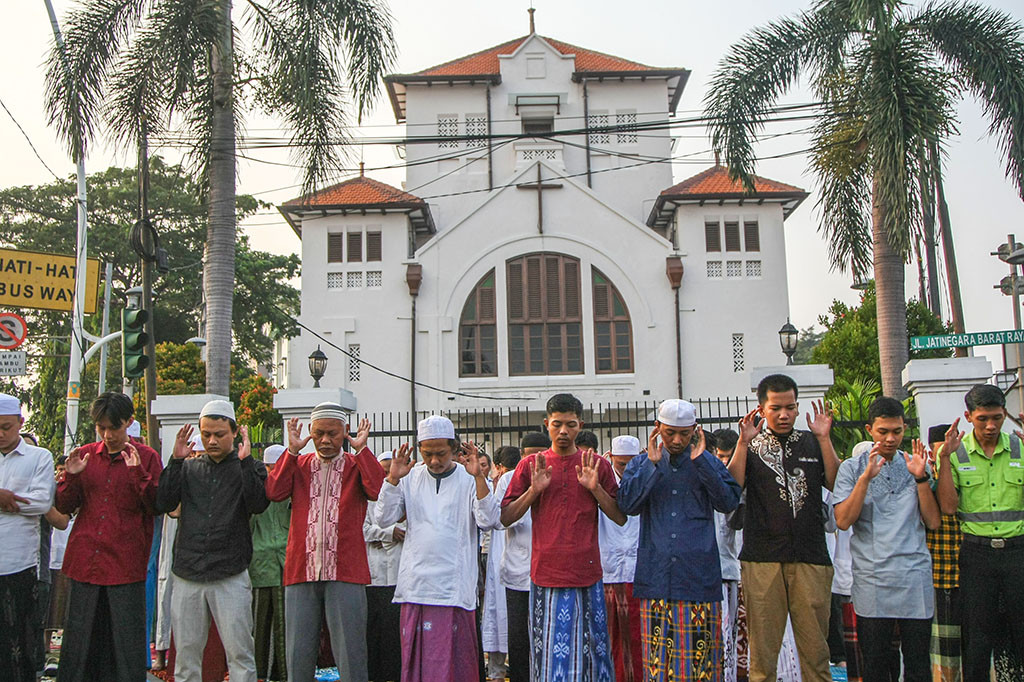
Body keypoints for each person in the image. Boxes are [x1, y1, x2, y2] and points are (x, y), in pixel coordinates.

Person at [501, 393, 624, 682]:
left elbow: (620, 517)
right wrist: (534, 491)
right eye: (557, 425)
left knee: (593, 655)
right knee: (548, 660)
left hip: (588, 574)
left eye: (570, 424)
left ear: (580, 424)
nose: (564, 432)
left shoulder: (596, 465)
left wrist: (595, 489)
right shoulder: (531, 465)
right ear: (547, 424)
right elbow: (505, 517)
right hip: (546, 574)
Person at [619, 399, 741, 682]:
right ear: (656, 428)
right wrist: (651, 466)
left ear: (695, 431)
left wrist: (702, 464)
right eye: (670, 432)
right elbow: (627, 506)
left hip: (698, 577)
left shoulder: (708, 461)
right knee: (658, 665)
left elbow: (728, 502)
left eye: (683, 433)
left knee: (703, 666)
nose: (676, 440)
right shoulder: (642, 462)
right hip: (656, 576)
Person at [727, 374, 839, 682]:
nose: (784, 414)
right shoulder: (751, 446)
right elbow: (731, 488)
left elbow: (835, 482)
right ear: (761, 409)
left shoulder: (812, 442)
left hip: (811, 557)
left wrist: (825, 439)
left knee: (816, 654)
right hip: (762, 559)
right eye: (776, 407)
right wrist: (742, 442)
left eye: (790, 407)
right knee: (762, 658)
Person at [265, 403, 383, 682]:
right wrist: (291, 451)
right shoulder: (299, 465)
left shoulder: (356, 466)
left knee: (351, 652)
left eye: (333, 433)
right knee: (298, 652)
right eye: (319, 434)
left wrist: (363, 450)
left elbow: (377, 489)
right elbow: (274, 491)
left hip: (345, 570)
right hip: (301, 570)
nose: (326, 440)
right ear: (310, 432)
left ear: (345, 433)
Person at [375, 415, 499, 682]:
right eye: (427, 453)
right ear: (419, 450)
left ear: (454, 449)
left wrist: (478, 478)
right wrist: (393, 480)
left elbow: (488, 521)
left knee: (455, 663)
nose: (434, 460)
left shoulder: (470, 479)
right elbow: (383, 519)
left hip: (454, 587)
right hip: (416, 585)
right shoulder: (409, 477)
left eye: (441, 453)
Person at [155, 399, 269, 682]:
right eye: (206, 434)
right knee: (186, 657)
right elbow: (164, 502)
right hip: (188, 572)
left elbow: (258, 504)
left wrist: (245, 463)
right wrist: (176, 460)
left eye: (219, 434)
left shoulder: (249, 468)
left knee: (240, 655)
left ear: (233, 432)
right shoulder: (189, 468)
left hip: (229, 574)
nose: (212, 440)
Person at [55, 392, 162, 682]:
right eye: (101, 427)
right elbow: (64, 507)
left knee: (124, 646)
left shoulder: (147, 458)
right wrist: (71, 475)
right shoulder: (85, 455)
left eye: (114, 427)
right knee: (79, 643)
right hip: (85, 562)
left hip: (125, 566)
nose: (108, 434)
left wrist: (138, 474)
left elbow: (157, 506)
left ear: (128, 422)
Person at [832, 398, 940, 682]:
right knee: (875, 664)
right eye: (883, 432)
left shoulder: (915, 464)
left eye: (897, 431)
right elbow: (843, 521)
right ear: (869, 429)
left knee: (918, 664)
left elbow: (933, 521)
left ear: (905, 428)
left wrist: (920, 479)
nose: (890, 438)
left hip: (913, 576)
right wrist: (865, 479)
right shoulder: (851, 468)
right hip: (873, 578)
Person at [935, 384, 1024, 682]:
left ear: (1005, 415)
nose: (990, 425)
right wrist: (944, 459)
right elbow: (948, 507)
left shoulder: (1020, 447)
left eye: (997, 418)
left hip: (1018, 553)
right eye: (983, 418)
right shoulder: (954, 453)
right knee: (976, 640)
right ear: (968, 416)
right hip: (976, 556)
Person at [0, 394, 56, 682]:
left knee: (20, 641)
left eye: (6, 427)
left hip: (20, 565)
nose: (0, 434)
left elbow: (41, 503)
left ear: (20, 423)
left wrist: (9, 501)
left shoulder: (39, 457)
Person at [500, 435, 545, 682]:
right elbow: (505, 519)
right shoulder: (508, 479)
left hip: (549, 572)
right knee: (518, 637)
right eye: (529, 455)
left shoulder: (555, 476)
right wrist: (531, 491)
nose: (534, 460)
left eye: (540, 454)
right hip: (518, 572)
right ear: (520, 454)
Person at [599, 435, 644, 682]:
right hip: (607, 571)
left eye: (631, 463)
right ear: (611, 458)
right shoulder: (601, 481)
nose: (626, 469)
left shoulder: (645, 479)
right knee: (608, 638)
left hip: (636, 572)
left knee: (636, 639)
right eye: (621, 463)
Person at [250, 444, 291, 682]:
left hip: (286, 565)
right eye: (269, 467)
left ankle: (283, 675)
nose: (273, 472)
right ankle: (260, 674)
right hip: (261, 565)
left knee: (285, 626)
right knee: (260, 625)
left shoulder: (292, 488)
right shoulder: (256, 490)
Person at [364, 450, 404, 682]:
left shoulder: (403, 494)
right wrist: (390, 532)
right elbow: (364, 530)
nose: (388, 473)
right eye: (384, 469)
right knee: (374, 628)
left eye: (392, 469)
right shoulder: (368, 496)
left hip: (398, 572)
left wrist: (385, 534)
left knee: (394, 629)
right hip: (374, 572)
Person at [481, 450, 509, 682]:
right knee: (496, 611)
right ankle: (496, 670)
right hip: (497, 557)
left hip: (523, 564)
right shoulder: (491, 487)